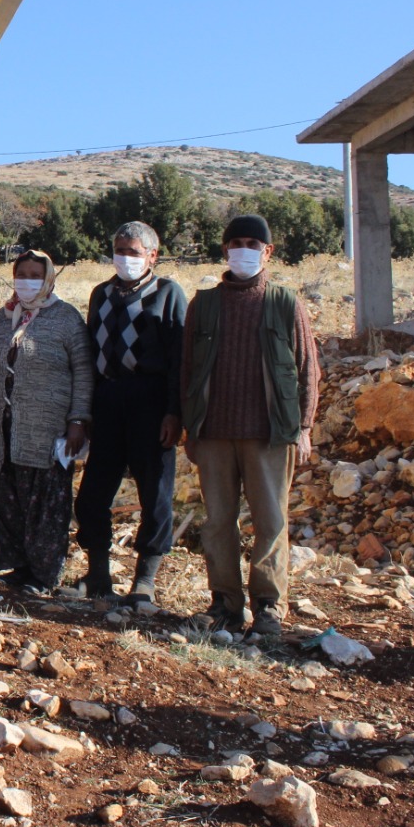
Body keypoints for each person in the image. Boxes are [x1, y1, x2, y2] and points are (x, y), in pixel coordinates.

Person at [181, 214, 319, 639]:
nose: (244, 249)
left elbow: (307, 368)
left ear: (268, 252)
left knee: (271, 520)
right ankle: (224, 603)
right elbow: (186, 370)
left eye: (252, 243)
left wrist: (305, 425)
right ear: (225, 250)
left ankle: (268, 606)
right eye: (236, 242)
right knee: (218, 521)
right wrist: (190, 428)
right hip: (214, 433)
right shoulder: (203, 304)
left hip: (270, 433)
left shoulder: (284, 302)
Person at [73, 221, 188, 601]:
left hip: (150, 401)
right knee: (92, 493)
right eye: (119, 251)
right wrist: (85, 411)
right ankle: (98, 573)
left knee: (155, 491)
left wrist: (174, 412)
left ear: (152, 256)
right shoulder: (100, 294)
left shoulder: (168, 293)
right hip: (108, 400)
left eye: (134, 253)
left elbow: (179, 360)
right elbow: (89, 354)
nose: (125, 259)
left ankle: (145, 578)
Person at [0, 250, 93, 596]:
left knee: (45, 502)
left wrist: (78, 420)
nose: (26, 280)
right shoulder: (1, 319)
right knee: (6, 498)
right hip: (2, 427)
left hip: (48, 429)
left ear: (49, 278)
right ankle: (17, 568)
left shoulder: (66, 319)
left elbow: (83, 373)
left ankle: (42, 575)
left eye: (34, 274)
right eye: (20, 273)